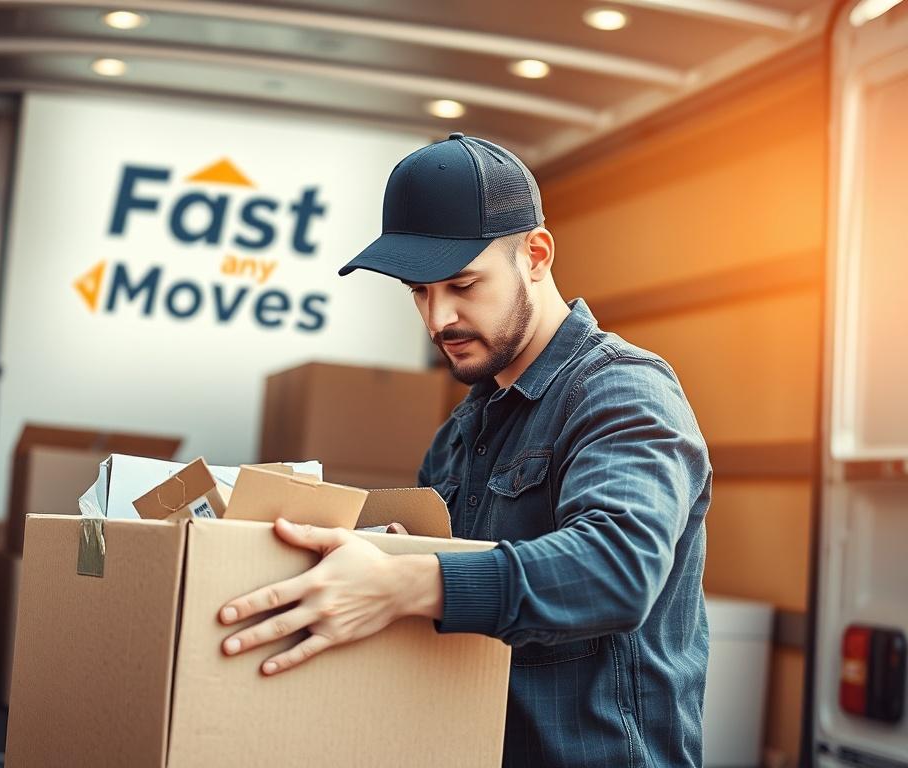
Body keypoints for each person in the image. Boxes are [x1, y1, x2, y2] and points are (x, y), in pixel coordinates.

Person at [218, 133, 711, 768]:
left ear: (535, 255)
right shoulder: (459, 434)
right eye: (418, 292)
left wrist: (402, 582)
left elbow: (618, 567)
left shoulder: (622, 390)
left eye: (462, 284)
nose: (437, 319)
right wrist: (383, 553)